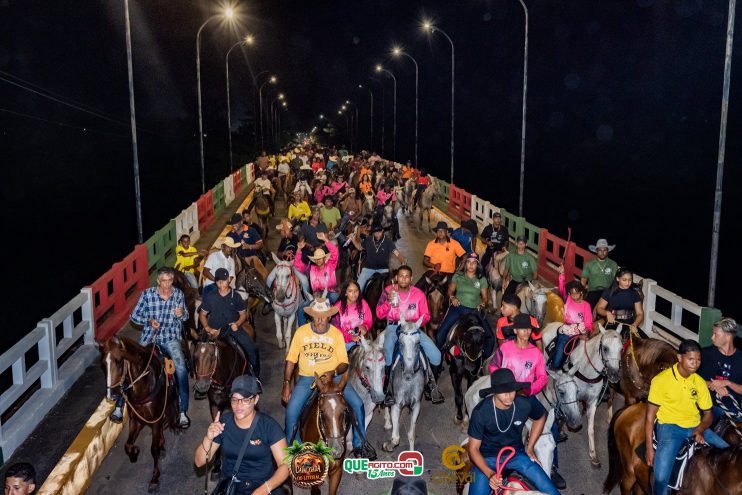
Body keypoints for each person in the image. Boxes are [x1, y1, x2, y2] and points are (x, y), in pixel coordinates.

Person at [282, 297, 375, 459]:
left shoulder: (335, 334)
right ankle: (294, 449)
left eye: (324, 316)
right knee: (291, 412)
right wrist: (286, 383)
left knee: (358, 405)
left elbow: (344, 364)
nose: (320, 320)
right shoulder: (301, 333)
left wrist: (333, 372)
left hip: (334, 379)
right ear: (311, 316)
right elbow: (291, 360)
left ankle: (360, 444)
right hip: (308, 378)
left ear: (330, 317)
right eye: (316, 316)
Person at [487, 313, 565, 488]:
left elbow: (543, 378)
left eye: (529, 328)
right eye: (523, 328)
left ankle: (551, 467)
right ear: (515, 330)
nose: (526, 331)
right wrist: (503, 383)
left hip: (526, 396)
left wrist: (531, 389)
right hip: (505, 395)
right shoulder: (505, 348)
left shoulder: (535, 353)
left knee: (548, 422)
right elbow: (493, 366)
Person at [646, 339, 730, 495]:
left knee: (729, 452)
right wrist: (649, 448)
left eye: (698, 360)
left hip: (695, 425)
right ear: (679, 358)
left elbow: (708, 414)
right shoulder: (661, 380)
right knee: (660, 476)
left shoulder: (698, 382)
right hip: (670, 429)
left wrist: (700, 429)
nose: (696, 363)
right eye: (691, 359)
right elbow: (650, 417)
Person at [112, 267, 190, 427]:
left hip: (171, 338)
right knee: (130, 363)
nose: (168, 284)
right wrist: (148, 321)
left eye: (170, 280)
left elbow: (186, 316)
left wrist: (182, 314)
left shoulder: (178, 295)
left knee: (181, 369)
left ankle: (182, 412)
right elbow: (134, 316)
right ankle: (119, 406)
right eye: (164, 281)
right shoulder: (147, 295)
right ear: (158, 281)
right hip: (149, 337)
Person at [467, 368, 560, 495]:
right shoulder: (481, 412)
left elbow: (541, 417)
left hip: (516, 456)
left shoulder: (524, 403)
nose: (509, 396)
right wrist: (490, 474)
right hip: (488, 459)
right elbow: (473, 449)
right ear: (494, 392)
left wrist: (530, 447)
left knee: (553, 492)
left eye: (512, 390)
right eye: (503, 392)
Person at [195, 375, 289, 495]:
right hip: (231, 486)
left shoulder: (269, 426)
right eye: (235, 399)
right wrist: (208, 438)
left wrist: (263, 489)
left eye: (245, 400)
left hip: (263, 485)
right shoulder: (223, 423)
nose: (239, 405)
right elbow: (199, 462)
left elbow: (285, 466)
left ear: (255, 400)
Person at [376, 265, 444, 405]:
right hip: (394, 327)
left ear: (411, 278)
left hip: (413, 328)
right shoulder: (388, 291)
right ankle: (387, 388)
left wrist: (416, 323)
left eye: (407, 276)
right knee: (387, 353)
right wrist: (388, 302)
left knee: (436, 355)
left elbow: (426, 315)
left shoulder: (419, 294)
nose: (404, 279)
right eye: (401, 276)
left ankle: (431, 385)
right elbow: (378, 313)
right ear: (396, 278)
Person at [199, 268, 260, 378]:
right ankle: (200, 376)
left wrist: (237, 324)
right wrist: (207, 327)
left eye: (224, 280)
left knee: (252, 348)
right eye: (218, 281)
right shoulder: (210, 296)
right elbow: (202, 314)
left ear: (229, 280)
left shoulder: (236, 296)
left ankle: (255, 377)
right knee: (200, 353)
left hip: (232, 329)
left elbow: (243, 314)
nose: (221, 283)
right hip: (213, 330)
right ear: (216, 282)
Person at [435, 252, 495, 359]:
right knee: (441, 333)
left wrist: (483, 303)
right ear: (465, 263)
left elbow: (485, 298)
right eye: (469, 262)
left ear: (478, 265)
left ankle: (482, 360)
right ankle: (436, 360)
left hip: (475, 310)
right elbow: (450, 291)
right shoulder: (458, 275)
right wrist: (452, 298)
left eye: (474, 263)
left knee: (490, 337)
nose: (471, 265)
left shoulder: (481, 279)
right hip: (458, 308)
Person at [550, 266, 594, 371]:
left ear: (581, 292)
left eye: (576, 293)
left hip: (580, 331)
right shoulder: (568, 299)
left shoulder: (586, 305)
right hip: (567, 330)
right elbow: (561, 289)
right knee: (560, 349)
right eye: (571, 293)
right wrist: (561, 275)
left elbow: (588, 323)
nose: (574, 295)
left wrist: (586, 333)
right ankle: (554, 367)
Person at [698, 317, 742, 421]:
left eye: (715, 334)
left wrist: (728, 383)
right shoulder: (705, 354)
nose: (712, 338)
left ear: (727, 336)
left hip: (732, 409)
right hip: (707, 405)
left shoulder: (740, 359)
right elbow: (692, 378)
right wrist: (713, 385)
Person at [294, 232, 339, 325]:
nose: (318, 260)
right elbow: (298, 265)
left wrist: (325, 240)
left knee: (338, 303)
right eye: (316, 259)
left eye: (320, 258)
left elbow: (335, 253)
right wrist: (299, 249)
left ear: (324, 258)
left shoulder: (330, 265)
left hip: (330, 293)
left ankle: (338, 328)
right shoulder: (311, 268)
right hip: (316, 296)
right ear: (314, 260)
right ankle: (303, 331)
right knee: (300, 310)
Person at [354, 224, 405, 292]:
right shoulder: (368, 239)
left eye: (379, 232)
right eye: (375, 232)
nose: (378, 234)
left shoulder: (388, 242)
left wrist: (403, 264)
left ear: (382, 231)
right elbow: (360, 248)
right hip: (368, 268)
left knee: (392, 289)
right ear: (373, 232)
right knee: (358, 288)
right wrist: (353, 240)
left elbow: (397, 253)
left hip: (383, 270)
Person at [333, 280, 373, 351]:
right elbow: (336, 329)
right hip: (344, 341)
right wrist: (350, 337)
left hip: (361, 340)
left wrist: (365, 327)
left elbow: (368, 320)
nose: (353, 294)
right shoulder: (338, 307)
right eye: (350, 291)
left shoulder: (363, 304)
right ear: (345, 293)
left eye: (356, 291)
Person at [581, 239, 619, 310]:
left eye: (604, 250)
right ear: (596, 251)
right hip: (593, 291)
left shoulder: (613, 264)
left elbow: (616, 280)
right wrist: (583, 290)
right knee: (586, 309)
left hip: (608, 292)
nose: (602, 252)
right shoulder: (589, 264)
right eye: (600, 250)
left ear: (608, 251)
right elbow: (583, 280)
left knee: (614, 308)